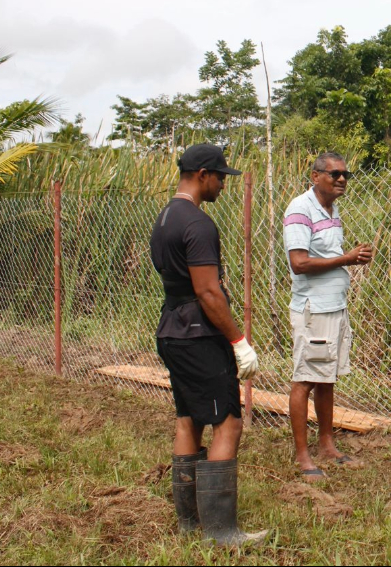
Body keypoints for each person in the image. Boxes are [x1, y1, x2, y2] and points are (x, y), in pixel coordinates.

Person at [150, 143, 266, 545]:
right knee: (228, 422)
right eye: (220, 177)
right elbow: (208, 292)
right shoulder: (198, 224)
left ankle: (189, 524)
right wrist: (238, 340)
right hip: (199, 335)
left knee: (188, 419)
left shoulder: (165, 217)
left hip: (171, 328)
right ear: (202, 174)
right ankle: (221, 532)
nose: (222, 184)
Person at [283, 152, 374, 480]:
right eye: (334, 174)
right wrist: (346, 260)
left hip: (334, 307)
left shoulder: (332, 211)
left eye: (345, 174)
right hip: (313, 310)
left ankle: (327, 446)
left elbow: (329, 256)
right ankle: (303, 456)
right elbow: (299, 262)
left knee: (327, 378)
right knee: (306, 378)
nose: (341, 179)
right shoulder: (300, 210)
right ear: (315, 175)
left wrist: (351, 258)